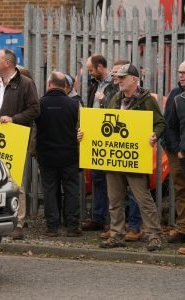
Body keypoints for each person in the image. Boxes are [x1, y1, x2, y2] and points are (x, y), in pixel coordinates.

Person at [99, 63, 166, 251]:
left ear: (134, 79)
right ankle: (116, 234)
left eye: (122, 77)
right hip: (115, 158)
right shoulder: (115, 98)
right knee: (115, 199)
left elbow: (160, 122)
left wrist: (155, 134)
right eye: (118, 77)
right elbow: (104, 121)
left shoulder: (147, 100)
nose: (118, 80)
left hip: (134, 158)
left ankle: (154, 236)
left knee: (143, 198)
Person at [0, 48, 39, 240]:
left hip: (15, 138)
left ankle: (18, 222)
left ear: (7, 63)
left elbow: (34, 109)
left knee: (15, 182)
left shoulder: (25, 84)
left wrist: (14, 119)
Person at [99, 59, 142, 242]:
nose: (116, 77)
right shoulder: (112, 92)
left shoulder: (143, 97)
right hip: (115, 151)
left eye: (120, 74)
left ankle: (134, 227)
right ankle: (117, 228)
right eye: (115, 74)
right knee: (115, 195)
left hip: (133, 151)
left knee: (135, 193)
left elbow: (153, 122)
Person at [35, 71, 81, 237]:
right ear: (65, 86)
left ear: (49, 84)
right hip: (69, 155)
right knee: (71, 189)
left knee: (49, 190)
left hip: (46, 155)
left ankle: (52, 227)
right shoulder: (73, 104)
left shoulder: (40, 104)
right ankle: (72, 226)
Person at [81, 54, 117, 232]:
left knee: (113, 180)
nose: (89, 73)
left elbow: (118, 109)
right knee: (97, 178)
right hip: (96, 137)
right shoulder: (95, 84)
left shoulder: (115, 84)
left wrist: (104, 100)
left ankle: (114, 220)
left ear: (100, 67)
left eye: (91, 70)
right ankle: (98, 217)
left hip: (111, 138)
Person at [162, 61, 185, 245]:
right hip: (177, 151)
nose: (181, 76)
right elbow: (168, 125)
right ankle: (183, 228)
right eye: (180, 73)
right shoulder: (175, 95)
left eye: (184, 73)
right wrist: (177, 149)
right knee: (180, 189)